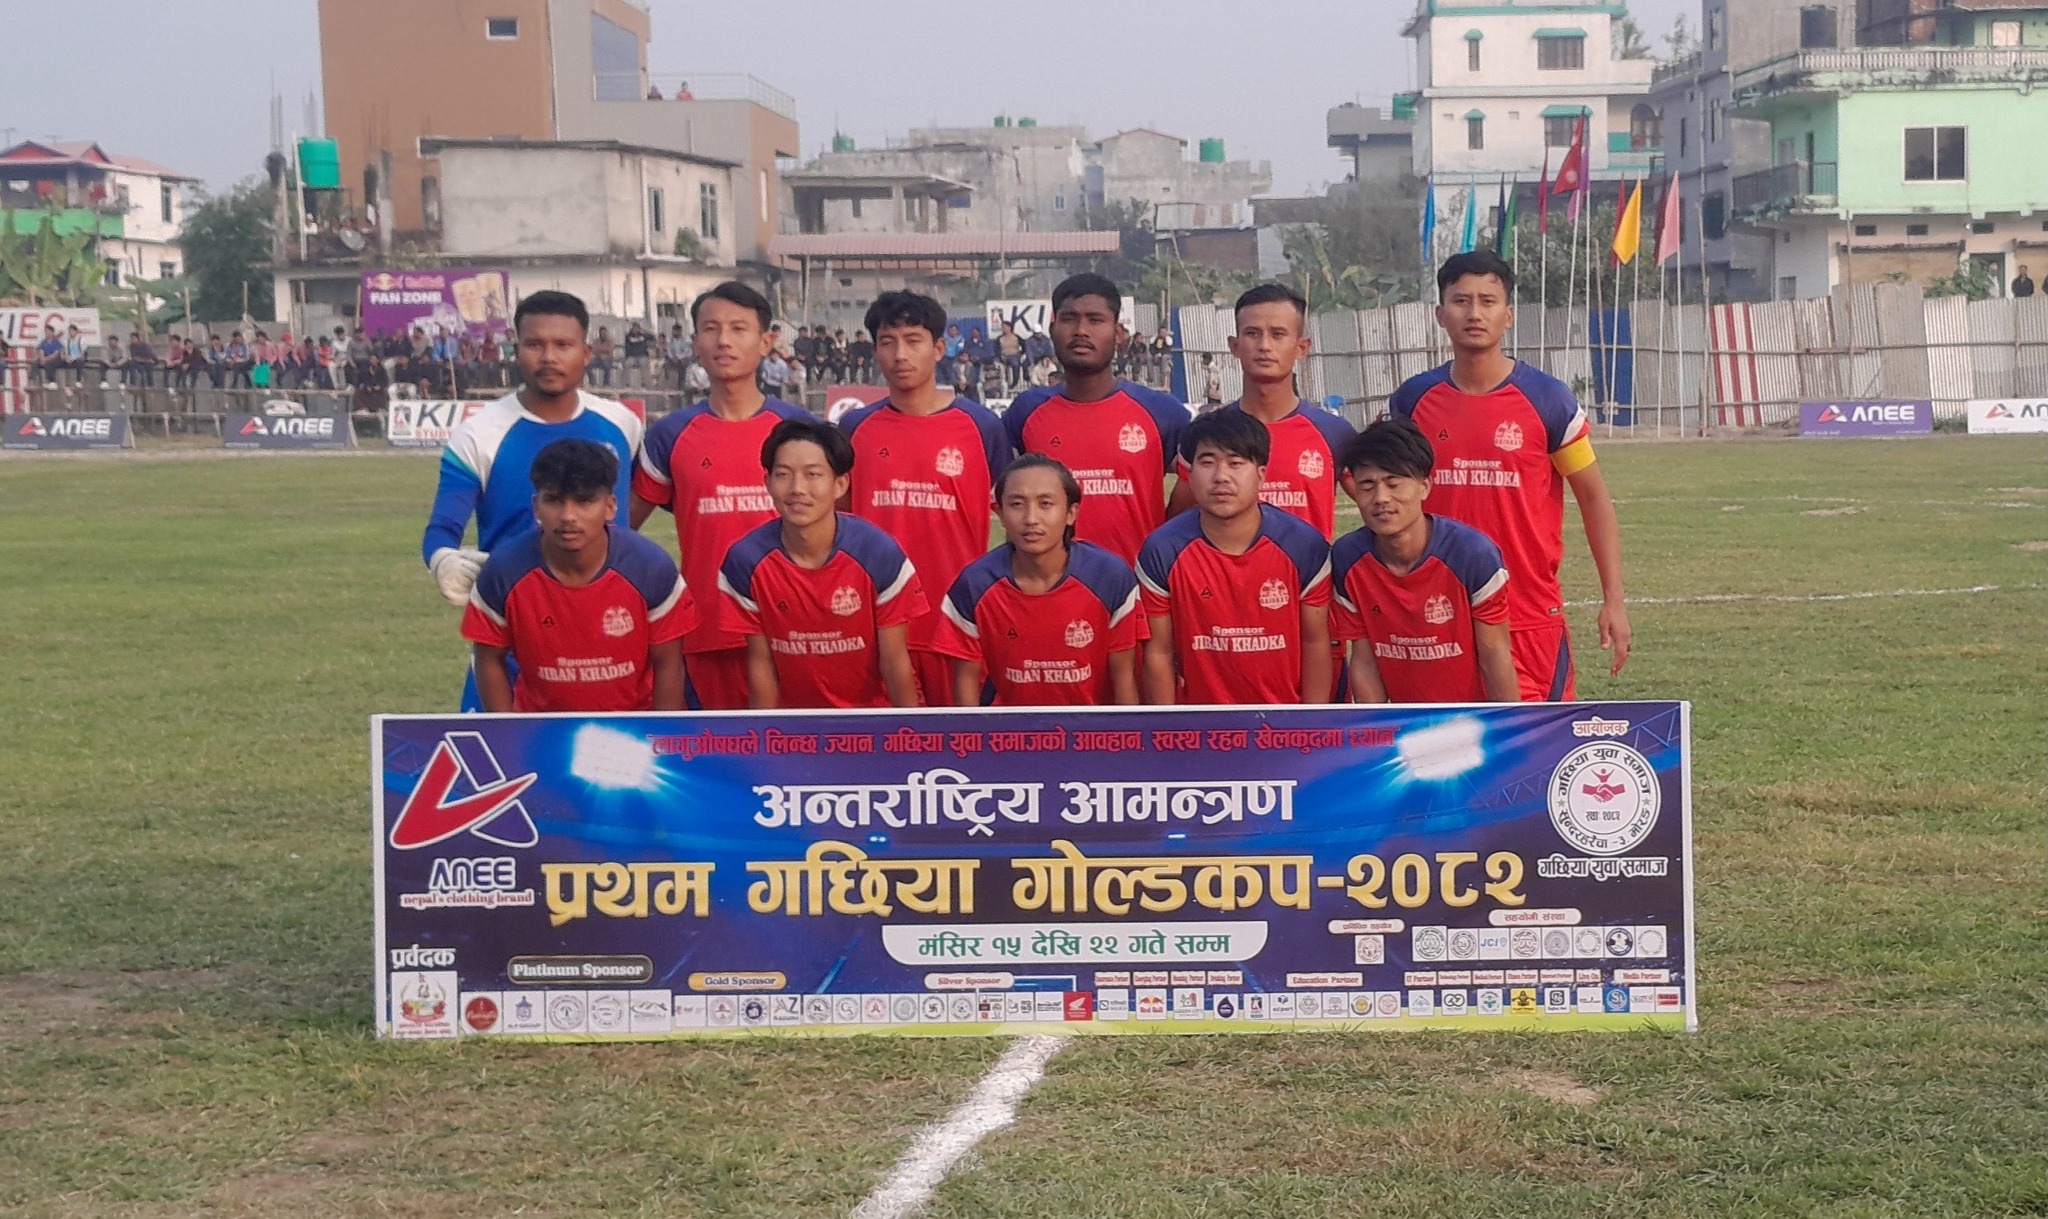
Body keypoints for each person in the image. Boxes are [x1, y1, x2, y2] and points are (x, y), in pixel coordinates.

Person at [1390, 249, 1630, 701]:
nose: (1474, 314)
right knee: (1441, 741)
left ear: (1508, 315)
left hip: (1526, 616)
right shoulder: (1412, 401)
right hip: (1435, 614)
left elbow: (1593, 498)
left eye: (1488, 301)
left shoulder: (1548, 400)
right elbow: (1380, 491)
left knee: (1535, 741)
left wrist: (1613, 600)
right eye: (1461, 301)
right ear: (1441, 314)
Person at [420, 289, 645, 710]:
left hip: (610, 630)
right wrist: (443, 560)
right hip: (515, 633)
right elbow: (442, 529)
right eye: (535, 344)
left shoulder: (622, 425)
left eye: (563, 345)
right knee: (504, 747)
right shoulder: (479, 435)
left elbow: (629, 509)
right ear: (516, 348)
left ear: (586, 352)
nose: (549, 357)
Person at [630, 281, 809, 711]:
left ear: (766, 342)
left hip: (795, 632)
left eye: (738, 328)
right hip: (706, 632)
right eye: (711, 329)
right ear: (695, 342)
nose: (724, 340)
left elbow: (841, 529)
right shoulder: (669, 435)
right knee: (715, 748)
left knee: (793, 747)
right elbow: (620, 531)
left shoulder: (802, 430)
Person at [839, 290, 1011, 705]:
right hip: (875, 626)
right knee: (886, 742)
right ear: (875, 351)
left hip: (957, 623)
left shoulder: (982, 427)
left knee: (961, 739)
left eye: (913, 340)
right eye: (887, 342)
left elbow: (1014, 525)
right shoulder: (855, 428)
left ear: (937, 349)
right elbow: (839, 526)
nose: (900, 354)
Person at [463, 439, 693, 712]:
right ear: (536, 506)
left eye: (584, 501)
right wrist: (508, 730)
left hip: (633, 728)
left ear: (610, 506)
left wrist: (659, 734)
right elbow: (488, 658)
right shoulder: (503, 572)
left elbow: (668, 662)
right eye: (554, 500)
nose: (568, 516)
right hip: (539, 729)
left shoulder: (651, 568)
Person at [719, 417, 925, 709]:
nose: (797, 488)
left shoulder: (879, 554)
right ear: (767, 482)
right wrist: (765, 733)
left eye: (813, 474)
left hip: (870, 721)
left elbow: (894, 662)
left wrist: (909, 730)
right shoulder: (745, 561)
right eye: (783, 474)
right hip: (792, 725)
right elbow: (761, 664)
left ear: (840, 484)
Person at [1138, 410, 1332, 706]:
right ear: (1189, 474)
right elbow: (1159, 652)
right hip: (1200, 723)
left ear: (1261, 474)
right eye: (1207, 462)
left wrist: (1310, 722)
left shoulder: (1304, 546)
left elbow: (1315, 641)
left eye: (1235, 463)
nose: (1221, 476)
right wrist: (1169, 725)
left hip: (1285, 719)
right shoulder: (1162, 550)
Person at [1005, 273, 1190, 565]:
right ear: (1053, 329)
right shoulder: (1025, 412)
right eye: (1069, 319)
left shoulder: (1162, 412)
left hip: (1134, 586)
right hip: (1049, 587)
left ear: (1118, 333)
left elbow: (1195, 488)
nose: (1081, 331)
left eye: (1095, 320)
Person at [1331, 419, 1518, 704]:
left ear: (1424, 486)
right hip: (1405, 723)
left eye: (1393, 483)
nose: (1381, 498)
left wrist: (1506, 726)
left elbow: (1494, 656)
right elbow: (1365, 660)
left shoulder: (1473, 555)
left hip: (1472, 720)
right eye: (1367, 485)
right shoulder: (1347, 558)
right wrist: (1378, 728)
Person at [931, 454, 1142, 706]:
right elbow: (966, 683)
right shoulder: (974, 584)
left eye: (1045, 504)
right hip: (1007, 729)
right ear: (999, 512)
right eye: (1017, 504)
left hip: (1090, 728)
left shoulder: (1110, 577)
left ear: (1071, 513)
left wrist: (1123, 732)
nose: (1031, 518)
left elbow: (1123, 676)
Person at [1171, 284, 1357, 543]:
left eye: (1278, 334)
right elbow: (1176, 525)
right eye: (1252, 333)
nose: (1264, 346)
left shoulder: (1334, 432)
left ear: (1301, 347)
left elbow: (1381, 504)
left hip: (1306, 570)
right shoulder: (1208, 432)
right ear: (1234, 346)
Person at [623, 322, 652, 387]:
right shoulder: (629, 337)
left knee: (644, 364)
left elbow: (652, 337)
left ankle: (646, 384)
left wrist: (644, 332)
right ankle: (625, 384)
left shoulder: (644, 336)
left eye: (637, 328)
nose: (636, 330)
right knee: (627, 364)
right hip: (632, 356)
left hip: (642, 356)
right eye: (634, 328)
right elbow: (626, 347)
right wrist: (627, 356)